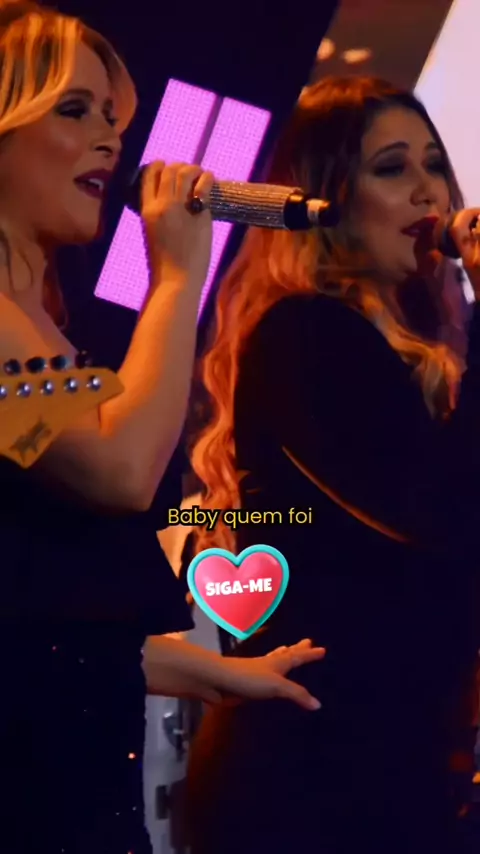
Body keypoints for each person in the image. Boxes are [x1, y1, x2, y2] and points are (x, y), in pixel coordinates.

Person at [0, 3, 326, 852]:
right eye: (74, 111)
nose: (110, 142)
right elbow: (122, 470)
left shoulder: (39, 323)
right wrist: (177, 277)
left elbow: (40, 619)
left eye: (112, 119)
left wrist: (216, 674)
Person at [186, 76, 480, 854]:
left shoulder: (425, 355)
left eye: (434, 164)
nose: (428, 190)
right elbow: (443, 517)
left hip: (400, 772)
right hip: (313, 786)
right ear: (327, 198)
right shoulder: (306, 335)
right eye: (391, 167)